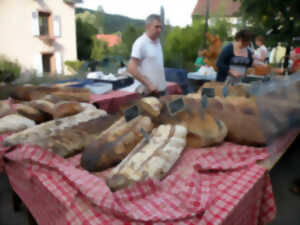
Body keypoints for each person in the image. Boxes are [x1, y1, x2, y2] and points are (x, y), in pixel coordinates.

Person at [127, 14, 167, 97]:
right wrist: (149, 84)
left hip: (161, 92)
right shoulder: (140, 43)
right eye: (157, 27)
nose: (160, 30)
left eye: (161, 27)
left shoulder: (157, 42)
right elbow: (131, 68)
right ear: (148, 26)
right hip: (148, 94)